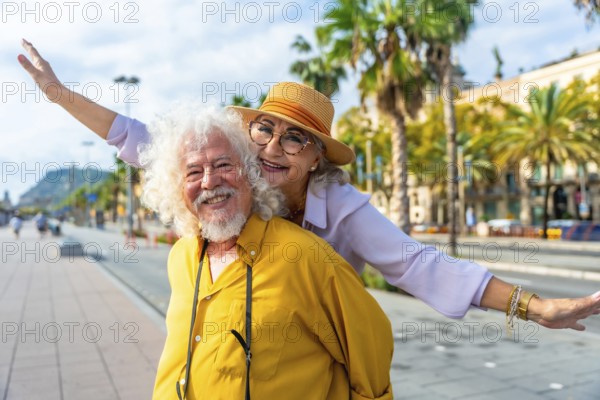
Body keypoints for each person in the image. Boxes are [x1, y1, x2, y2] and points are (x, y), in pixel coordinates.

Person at [18, 40, 600, 331]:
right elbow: (141, 139)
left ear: (318, 157)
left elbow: (419, 264)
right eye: (265, 130)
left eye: (294, 139)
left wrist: (536, 305)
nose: (272, 147)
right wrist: (58, 95)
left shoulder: (341, 208)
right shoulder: (237, 171)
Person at [138, 104, 393, 399]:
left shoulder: (309, 258)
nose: (209, 181)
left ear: (250, 171)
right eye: (193, 172)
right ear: (177, 187)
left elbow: (372, 360)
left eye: (223, 165)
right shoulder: (180, 257)